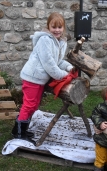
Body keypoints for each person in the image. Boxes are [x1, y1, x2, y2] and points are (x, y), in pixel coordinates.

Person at [11, 12, 74, 145]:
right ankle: (19, 133)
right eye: (54, 27)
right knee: (29, 105)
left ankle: (22, 129)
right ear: (48, 27)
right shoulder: (45, 40)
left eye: (60, 27)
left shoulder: (60, 41)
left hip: (40, 79)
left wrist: (69, 68)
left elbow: (58, 61)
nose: (57, 30)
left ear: (63, 27)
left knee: (34, 105)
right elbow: (49, 64)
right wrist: (64, 75)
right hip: (32, 77)